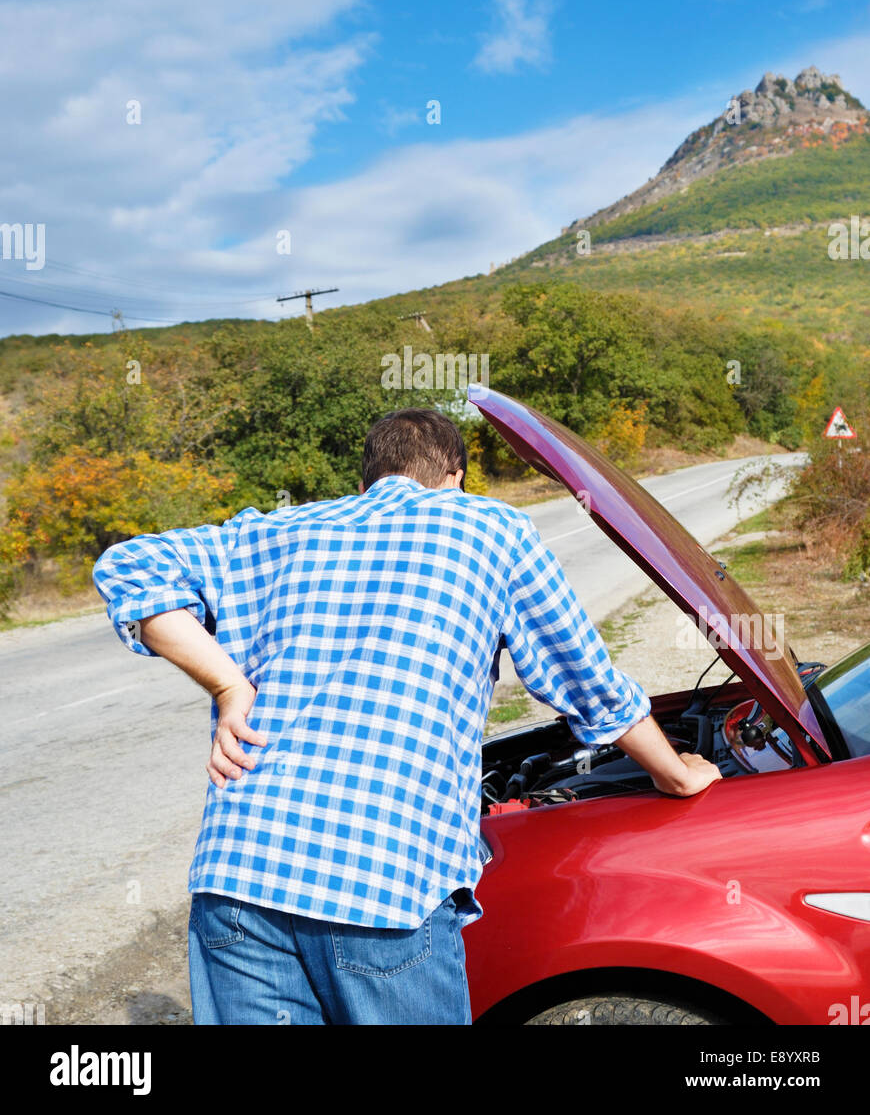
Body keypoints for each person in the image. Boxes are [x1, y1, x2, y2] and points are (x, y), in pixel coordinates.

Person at [92, 407, 721, 1026]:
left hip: (240, 874)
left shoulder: (275, 529)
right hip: (383, 880)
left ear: (363, 483)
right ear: (457, 477)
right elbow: (588, 683)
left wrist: (230, 685)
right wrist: (674, 773)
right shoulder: (490, 527)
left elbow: (126, 565)